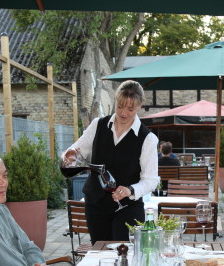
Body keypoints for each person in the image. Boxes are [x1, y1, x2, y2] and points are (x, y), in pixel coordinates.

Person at [61, 80, 159, 243]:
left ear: (139, 106)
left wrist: (130, 190)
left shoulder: (147, 138)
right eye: (120, 106)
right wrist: (69, 156)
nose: (124, 113)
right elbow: (76, 151)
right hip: (95, 204)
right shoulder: (97, 125)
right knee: (101, 250)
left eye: (130, 109)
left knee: (124, 252)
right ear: (115, 101)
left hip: (128, 207)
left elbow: (151, 180)